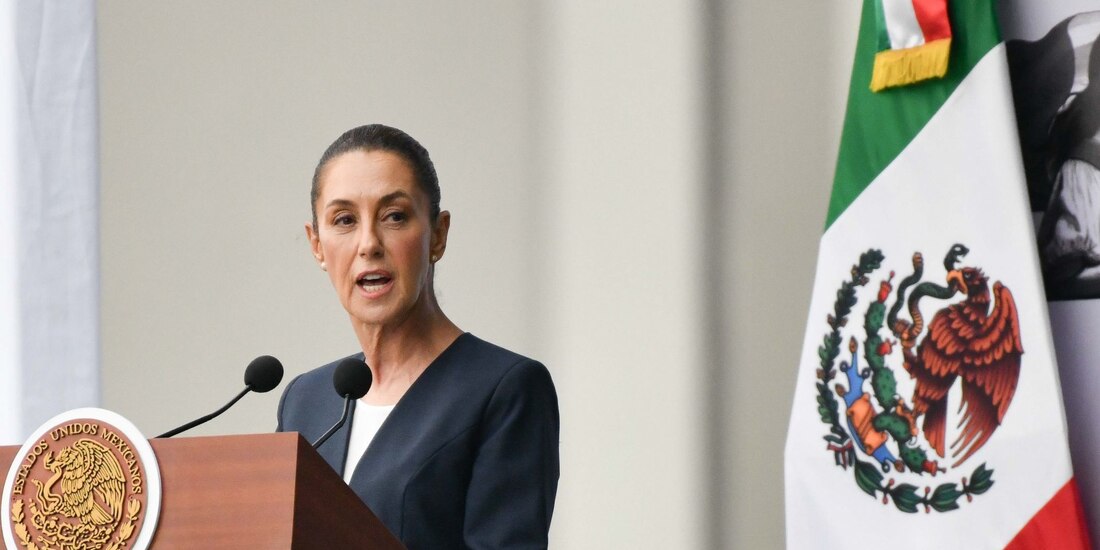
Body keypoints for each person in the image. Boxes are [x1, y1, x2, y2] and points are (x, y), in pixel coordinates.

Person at [276, 124, 560, 549]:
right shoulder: (307, 400)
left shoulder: (504, 389)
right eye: (345, 220)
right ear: (317, 245)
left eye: (394, 216)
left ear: (438, 235)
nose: (368, 243)